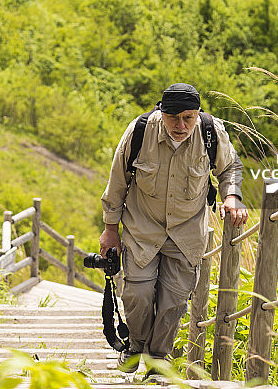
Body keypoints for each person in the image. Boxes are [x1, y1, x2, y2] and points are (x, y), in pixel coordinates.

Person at [99, 82, 248, 375]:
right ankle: (135, 347)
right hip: (143, 229)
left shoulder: (211, 133)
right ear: (161, 113)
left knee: (174, 301)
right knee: (137, 294)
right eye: (173, 118)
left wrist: (231, 195)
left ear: (197, 114)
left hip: (186, 233)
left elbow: (230, 167)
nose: (180, 126)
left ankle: (157, 362)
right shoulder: (140, 131)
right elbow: (117, 181)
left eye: (188, 118)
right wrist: (110, 229)